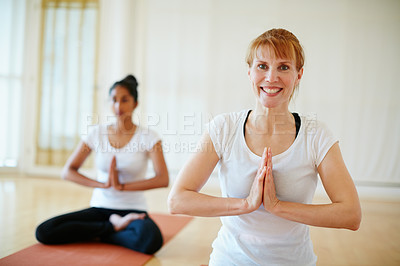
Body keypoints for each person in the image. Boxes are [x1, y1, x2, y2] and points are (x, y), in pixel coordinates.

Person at [168, 28, 361, 265]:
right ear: (249, 72)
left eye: (283, 67)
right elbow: (177, 200)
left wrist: (278, 207)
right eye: (262, 66)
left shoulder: (316, 134)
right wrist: (245, 204)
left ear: (299, 74)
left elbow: (351, 215)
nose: (271, 78)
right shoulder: (223, 128)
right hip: (230, 259)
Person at [36, 75, 169, 254]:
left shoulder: (149, 137)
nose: (118, 106)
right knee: (45, 231)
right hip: (100, 207)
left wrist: (122, 186)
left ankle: (103, 231)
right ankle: (112, 228)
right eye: (114, 100)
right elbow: (68, 171)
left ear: (135, 103)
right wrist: (102, 184)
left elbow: (163, 179)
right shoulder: (96, 133)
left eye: (124, 100)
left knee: (150, 239)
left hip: (133, 210)